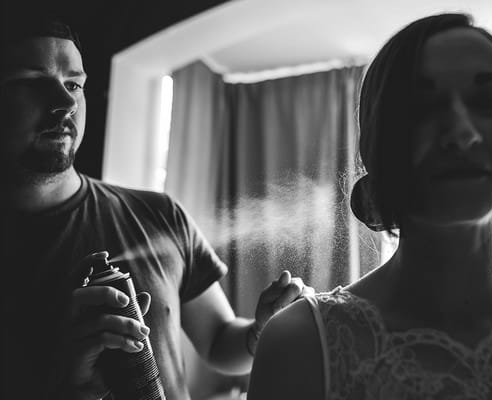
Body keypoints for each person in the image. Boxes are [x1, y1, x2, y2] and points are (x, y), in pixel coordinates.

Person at [248, 13, 492, 400]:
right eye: (423, 107)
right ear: (379, 148)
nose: (463, 134)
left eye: (489, 101)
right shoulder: (299, 345)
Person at [0, 15, 312, 400]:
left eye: (74, 84)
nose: (64, 102)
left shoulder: (160, 215)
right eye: (33, 82)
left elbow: (218, 340)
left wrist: (258, 334)